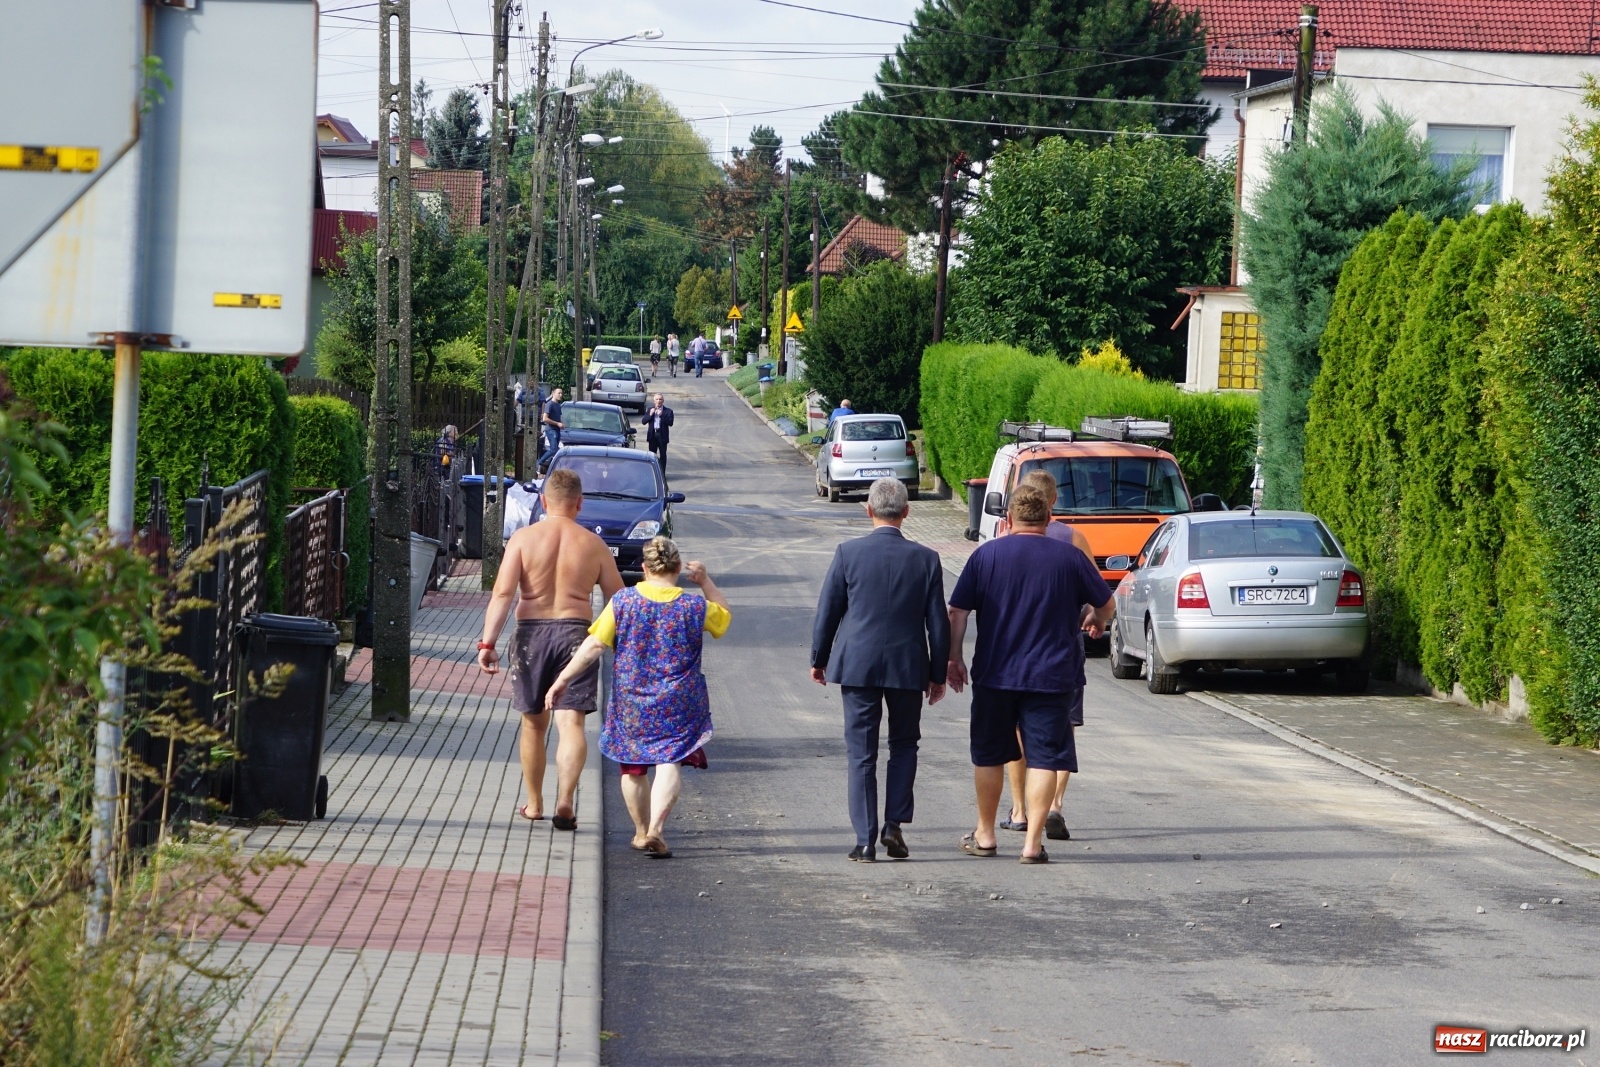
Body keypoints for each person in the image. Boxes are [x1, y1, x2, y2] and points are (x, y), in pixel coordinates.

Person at [946, 484, 1114, 864]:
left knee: (988, 755)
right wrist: (1094, 618)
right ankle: (1032, 845)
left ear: (1008, 519)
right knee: (1044, 758)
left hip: (995, 674)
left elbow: (957, 611)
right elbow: (1107, 603)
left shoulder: (986, 555)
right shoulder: (1070, 557)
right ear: (1049, 517)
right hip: (1052, 678)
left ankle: (986, 835)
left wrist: (953, 657)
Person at [546, 537, 731, 858]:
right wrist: (705, 581)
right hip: (679, 700)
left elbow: (593, 647)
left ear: (644, 569)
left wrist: (562, 679)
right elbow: (724, 619)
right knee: (669, 760)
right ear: (677, 568)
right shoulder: (694, 606)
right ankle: (657, 829)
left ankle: (641, 831)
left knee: (633, 768)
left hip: (632, 701)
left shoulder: (623, 602)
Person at [810, 479, 949, 862]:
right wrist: (938, 673)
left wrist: (819, 658)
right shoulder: (926, 559)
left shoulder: (847, 553)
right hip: (907, 666)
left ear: (868, 509)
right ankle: (894, 825)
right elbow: (937, 623)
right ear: (906, 512)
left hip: (857, 666)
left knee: (861, 753)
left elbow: (829, 611)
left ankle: (865, 840)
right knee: (904, 744)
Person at [477, 468, 624, 830]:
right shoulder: (594, 544)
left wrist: (488, 642)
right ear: (580, 503)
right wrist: (607, 639)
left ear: (543, 501)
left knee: (533, 724)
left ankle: (534, 803)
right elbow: (618, 599)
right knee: (571, 723)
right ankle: (566, 800)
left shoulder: (523, 540)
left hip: (531, 637)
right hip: (577, 634)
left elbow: (502, 594)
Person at [996, 469, 1096, 841]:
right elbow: (1098, 595)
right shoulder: (1073, 538)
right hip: (1064, 651)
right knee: (1062, 729)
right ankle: (1053, 805)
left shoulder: (1006, 537)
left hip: (1013, 654)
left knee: (1019, 732)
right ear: (1053, 503)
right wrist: (1090, 617)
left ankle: (1020, 810)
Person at [645, 393, 674, 477]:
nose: (658, 401)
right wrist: (650, 415)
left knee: (663, 456)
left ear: (663, 401)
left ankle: (662, 474)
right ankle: (652, 474)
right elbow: (644, 421)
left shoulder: (668, 411)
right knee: (652, 456)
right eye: (657, 399)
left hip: (662, 435)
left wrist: (662, 415)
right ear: (654, 401)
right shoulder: (650, 409)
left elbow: (670, 423)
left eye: (660, 399)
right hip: (653, 435)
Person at [539, 387, 565, 472]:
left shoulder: (558, 405)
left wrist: (561, 423)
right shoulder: (550, 404)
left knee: (556, 450)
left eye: (561, 393)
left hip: (557, 430)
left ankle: (552, 467)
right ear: (553, 393)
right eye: (559, 393)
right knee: (553, 449)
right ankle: (539, 463)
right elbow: (545, 418)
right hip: (551, 430)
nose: (560, 395)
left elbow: (558, 418)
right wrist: (557, 423)